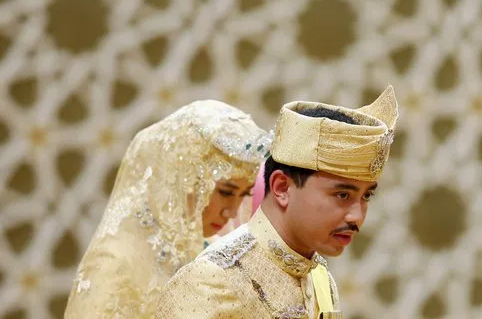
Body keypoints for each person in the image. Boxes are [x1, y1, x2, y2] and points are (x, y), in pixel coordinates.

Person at [156, 86, 399, 319]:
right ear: (282, 188)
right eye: (343, 195)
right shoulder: (211, 282)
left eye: (366, 196)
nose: (356, 216)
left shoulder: (320, 279)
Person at [64, 100, 272, 319]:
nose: (232, 211)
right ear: (184, 180)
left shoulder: (211, 250)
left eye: (245, 194)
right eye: (226, 193)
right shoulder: (114, 264)